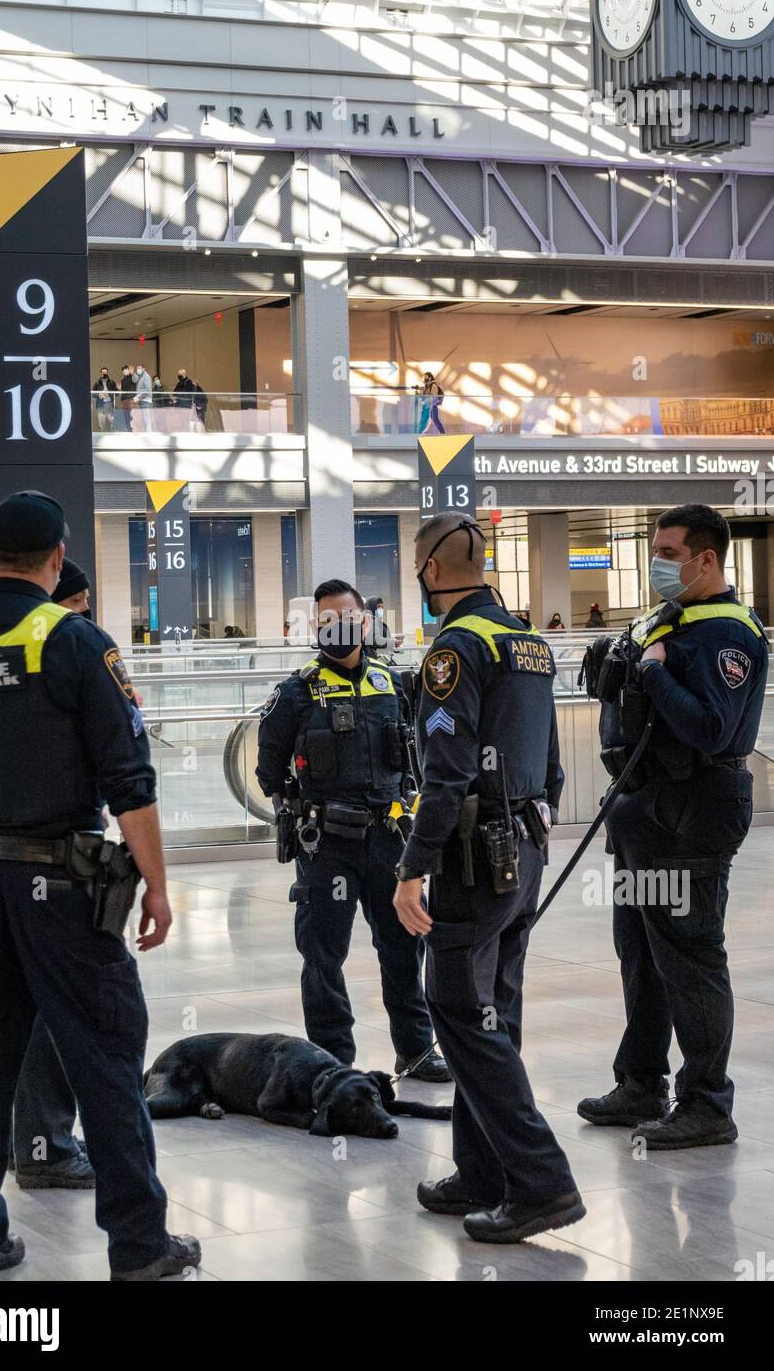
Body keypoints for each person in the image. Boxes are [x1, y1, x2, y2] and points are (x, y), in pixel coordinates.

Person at [0, 491, 199, 1281]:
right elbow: (130, 783)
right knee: (104, 1066)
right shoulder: (72, 642)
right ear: (56, 557)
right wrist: (158, 890)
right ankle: (139, 1248)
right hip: (64, 894)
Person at [393, 512, 584, 1243]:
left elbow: (445, 779)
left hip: (475, 854)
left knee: (457, 1013)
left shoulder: (455, 648)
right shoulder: (529, 641)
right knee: (495, 1009)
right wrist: (535, 826)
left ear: (432, 570)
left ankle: (540, 1182)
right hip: (523, 842)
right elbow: (554, 756)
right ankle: (482, 1171)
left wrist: (412, 868)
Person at [578, 504, 768, 1149]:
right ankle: (640, 1083)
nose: (657, 563)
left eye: (668, 553)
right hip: (644, 806)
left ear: (706, 558)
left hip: (694, 807)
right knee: (639, 950)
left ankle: (707, 1103)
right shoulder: (669, 620)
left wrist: (656, 672)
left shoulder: (727, 633)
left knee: (689, 956)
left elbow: (711, 727)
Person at [256, 578, 449, 1080]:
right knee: (323, 955)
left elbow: (417, 758)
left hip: (389, 840)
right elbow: (268, 770)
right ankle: (331, 1060)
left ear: (364, 622)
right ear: (314, 626)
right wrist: (297, 813)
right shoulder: (294, 693)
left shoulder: (392, 684)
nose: (337, 629)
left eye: (346, 619)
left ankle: (417, 1049)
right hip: (325, 847)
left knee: (405, 946)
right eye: (326, 622)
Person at [8, 555, 97, 1194]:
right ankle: (45, 1148)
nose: (86, 618)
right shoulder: (70, 657)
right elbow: (124, 766)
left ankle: (29, 1143)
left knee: (7, 1011)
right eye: (78, 606)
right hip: (57, 863)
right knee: (58, 1010)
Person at [92, 368, 117, 432]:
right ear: (101, 373)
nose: (104, 373)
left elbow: (116, 393)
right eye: (103, 372)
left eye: (105, 372)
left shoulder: (112, 382)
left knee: (112, 422)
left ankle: (113, 437)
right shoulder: (97, 383)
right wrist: (99, 395)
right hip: (100, 404)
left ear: (107, 373)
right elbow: (93, 394)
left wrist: (109, 394)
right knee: (102, 423)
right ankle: (102, 435)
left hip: (109, 404)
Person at [132, 363, 153, 431]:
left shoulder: (146, 377)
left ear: (144, 369)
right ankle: (145, 431)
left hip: (146, 400)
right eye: (137, 369)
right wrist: (133, 373)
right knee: (143, 418)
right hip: (141, 400)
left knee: (146, 418)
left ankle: (148, 432)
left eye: (139, 368)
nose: (138, 370)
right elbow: (134, 380)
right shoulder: (140, 377)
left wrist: (138, 397)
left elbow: (147, 390)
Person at [117, 365, 134, 432]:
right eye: (123, 370)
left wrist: (132, 373)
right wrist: (119, 388)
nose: (124, 371)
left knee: (131, 416)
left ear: (128, 370)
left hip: (131, 399)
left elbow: (136, 379)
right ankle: (128, 430)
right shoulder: (122, 380)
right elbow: (121, 390)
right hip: (124, 400)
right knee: (126, 417)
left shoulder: (133, 377)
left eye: (126, 369)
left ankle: (133, 430)